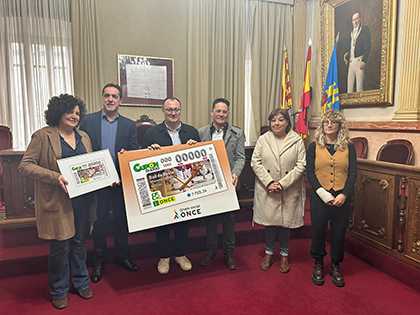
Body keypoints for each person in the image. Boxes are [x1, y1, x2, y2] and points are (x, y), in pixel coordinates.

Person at [19, 94, 95, 309]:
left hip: (82, 199)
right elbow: (25, 165)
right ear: (58, 112)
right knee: (60, 246)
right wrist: (55, 177)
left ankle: (81, 282)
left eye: (78, 113)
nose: (74, 116)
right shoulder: (43, 136)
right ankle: (59, 289)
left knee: (79, 242)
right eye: (70, 111)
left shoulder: (84, 137)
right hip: (57, 200)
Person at [80, 83, 139, 283]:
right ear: (102, 98)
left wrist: (125, 158)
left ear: (120, 100)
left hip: (121, 183)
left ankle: (122, 257)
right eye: (107, 95)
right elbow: (82, 149)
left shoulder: (129, 125)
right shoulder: (88, 121)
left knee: (122, 222)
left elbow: (132, 151)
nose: (111, 99)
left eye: (115, 96)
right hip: (98, 183)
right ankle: (99, 261)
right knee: (100, 223)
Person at [142, 97, 200, 275]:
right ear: (163, 111)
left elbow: (199, 159)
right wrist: (149, 151)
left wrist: (195, 147)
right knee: (163, 223)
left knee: (183, 221)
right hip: (162, 185)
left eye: (176, 109)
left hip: (185, 185)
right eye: (169, 110)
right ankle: (164, 257)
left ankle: (180, 254)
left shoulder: (192, 132)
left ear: (180, 111)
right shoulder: (152, 133)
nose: (173, 113)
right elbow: (143, 162)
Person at [250, 108, 306, 273]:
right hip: (268, 188)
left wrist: (282, 184)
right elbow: (255, 162)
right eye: (273, 120)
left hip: (288, 189)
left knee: (285, 223)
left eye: (281, 120)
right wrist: (269, 182)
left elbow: (301, 165)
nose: (277, 123)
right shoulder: (263, 139)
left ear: (287, 122)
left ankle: (284, 254)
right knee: (269, 223)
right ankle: (268, 253)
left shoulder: (297, 140)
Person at [306, 109, 357, 287]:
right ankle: (318, 263)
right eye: (326, 122)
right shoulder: (314, 146)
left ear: (339, 126)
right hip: (320, 196)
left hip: (342, 197)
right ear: (322, 125)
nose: (329, 125)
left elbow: (353, 173)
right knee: (318, 231)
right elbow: (310, 172)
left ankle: (335, 264)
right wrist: (322, 193)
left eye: (333, 122)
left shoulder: (349, 147)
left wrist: (344, 194)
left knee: (338, 233)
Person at [198, 98, 245, 270]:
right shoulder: (201, 132)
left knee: (228, 219)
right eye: (218, 111)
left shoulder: (237, 133)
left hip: (229, 183)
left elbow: (241, 157)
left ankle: (229, 252)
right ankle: (211, 250)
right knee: (210, 218)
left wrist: (235, 173)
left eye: (224, 111)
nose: (221, 114)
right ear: (212, 112)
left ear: (228, 114)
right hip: (208, 183)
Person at [344, 11, 371, 93]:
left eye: (357, 19)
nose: (355, 22)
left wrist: (364, 61)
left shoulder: (365, 29)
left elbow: (368, 46)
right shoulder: (351, 33)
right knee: (349, 88)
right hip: (351, 62)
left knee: (359, 88)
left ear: (360, 19)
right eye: (353, 20)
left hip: (359, 61)